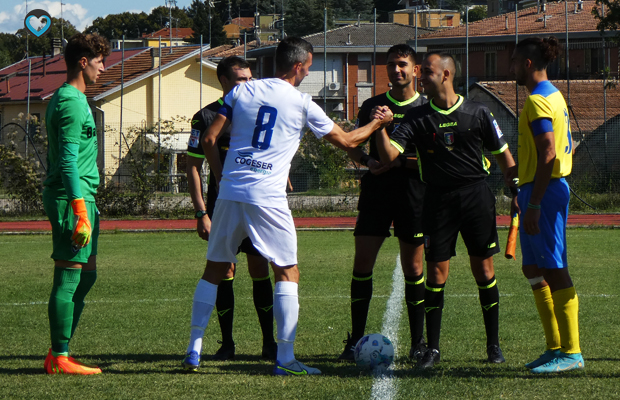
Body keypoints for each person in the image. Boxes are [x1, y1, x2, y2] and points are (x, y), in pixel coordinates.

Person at [182, 37, 393, 375]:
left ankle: (194, 349)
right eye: (309, 66)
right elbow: (348, 140)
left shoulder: (241, 92)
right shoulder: (301, 102)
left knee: (215, 269)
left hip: (231, 193)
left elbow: (209, 139)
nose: (309, 71)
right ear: (298, 66)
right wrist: (378, 123)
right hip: (267, 195)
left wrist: (223, 179)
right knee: (287, 271)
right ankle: (286, 358)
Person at [375, 51, 516, 369]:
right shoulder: (416, 118)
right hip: (436, 201)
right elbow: (388, 158)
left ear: (446, 75)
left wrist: (516, 189)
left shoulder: (478, 112)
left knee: (484, 271)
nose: (420, 77)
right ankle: (433, 349)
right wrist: (380, 127)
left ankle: (493, 346)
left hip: (476, 198)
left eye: (426, 72)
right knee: (436, 274)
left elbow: (505, 157)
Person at [338, 44, 427, 363]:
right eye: (391, 65)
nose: (396, 70)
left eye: (402, 64)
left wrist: (400, 163)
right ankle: (354, 341)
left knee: (414, 268)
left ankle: (418, 343)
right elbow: (351, 143)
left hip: (413, 196)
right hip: (375, 194)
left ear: (416, 70)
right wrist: (367, 160)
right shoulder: (372, 105)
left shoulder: (426, 109)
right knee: (362, 266)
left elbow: (435, 161)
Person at [185, 56, 277, 365]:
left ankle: (269, 343)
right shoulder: (206, 116)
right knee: (224, 271)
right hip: (221, 207)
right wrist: (201, 212)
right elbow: (193, 167)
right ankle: (226, 344)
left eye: (251, 79)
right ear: (223, 81)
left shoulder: (257, 114)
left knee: (259, 269)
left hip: (255, 206)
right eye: (241, 80)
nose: (248, 85)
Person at [509, 36, 584, 373]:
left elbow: (549, 153)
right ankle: (555, 348)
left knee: (554, 269)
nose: (511, 69)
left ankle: (571, 352)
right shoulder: (553, 95)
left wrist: (536, 202)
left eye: (513, 62)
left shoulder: (539, 100)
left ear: (526, 64)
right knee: (532, 268)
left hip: (546, 191)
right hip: (536, 190)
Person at [42, 33, 111, 375]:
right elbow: (68, 162)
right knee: (68, 278)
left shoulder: (73, 98)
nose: (104, 68)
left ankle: (61, 351)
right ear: (83, 62)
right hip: (73, 199)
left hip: (83, 197)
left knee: (87, 276)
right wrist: (80, 209)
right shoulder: (69, 101)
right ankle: (60, 356)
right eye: (100, 61)